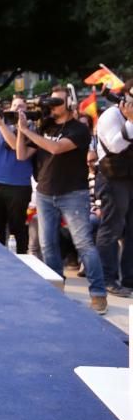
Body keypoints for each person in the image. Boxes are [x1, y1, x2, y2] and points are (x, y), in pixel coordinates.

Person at [16, 86, 108, 314]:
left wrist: (28, 132)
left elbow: (56, 148)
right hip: (46, 192)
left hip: (73, 194)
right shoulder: (43, 127)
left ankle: (98, 294)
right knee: (48, 245)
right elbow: (21, 154)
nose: (52, 105)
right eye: (51, 101)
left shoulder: (79, 129)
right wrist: (21, 129)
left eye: (58, 101)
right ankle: (56, 292)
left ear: (69, 104)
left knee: (84, 244)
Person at [93, 78, 133, 297]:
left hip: (130, 177)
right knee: (112, 228)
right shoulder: (111, 116)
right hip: (112, 178)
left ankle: (129, 278)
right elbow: (116, 146)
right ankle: (107, 278)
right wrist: (131, 121)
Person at [0, 96, 34, 252]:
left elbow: (15, 146)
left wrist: (1, 124)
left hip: (18, 185)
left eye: (21, 106)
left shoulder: (30, 127)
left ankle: (21, 258)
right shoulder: (0, 125)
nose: (17, 109)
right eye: (14, 105)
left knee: (17, 227)